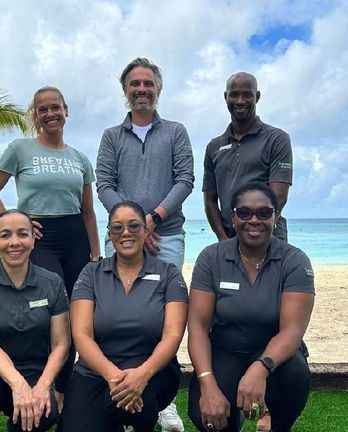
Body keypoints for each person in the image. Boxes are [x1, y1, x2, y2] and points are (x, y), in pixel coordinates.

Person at [96, 57, 193, 431]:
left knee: (164, 316)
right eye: (134, 84)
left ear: (158, 89)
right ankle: (120, 387)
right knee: (119, 315)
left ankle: (162, 398)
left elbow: (185, 179)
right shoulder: (111, 137)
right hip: (121, 238)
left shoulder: (176, 131)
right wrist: (131, 227)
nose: (141, 90)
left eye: (148, 83)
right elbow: (104, 184)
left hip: (166, 236)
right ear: (125, 91)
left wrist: (151, 220)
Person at [0, 86, 100, 396]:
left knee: (80, 311)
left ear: (66, 111)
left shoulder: (79, 158)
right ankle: (36, 382)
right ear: (35, 116)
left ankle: (61, 392)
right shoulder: (20, 149)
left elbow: (88, 213)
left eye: (55, 108)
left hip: (75, 237)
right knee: (54, 309)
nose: (50, 114)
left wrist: (96, 254)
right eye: (43, 109)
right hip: (41, 239)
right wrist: (13, 223)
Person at [187, 182, 315, 432]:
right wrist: (207, 384)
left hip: (276, 354)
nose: (253, 220)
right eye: (244, 213)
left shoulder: (294, 261)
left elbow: (292, 331)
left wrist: (260, 367)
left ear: (275, 216)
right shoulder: (210, 258)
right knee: (208, 419)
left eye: (264, 213)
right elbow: (198, 327)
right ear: (233, 217)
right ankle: (232, 422)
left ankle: (277, 424)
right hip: (225, 349)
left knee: (294, 375)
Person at [59, 201, 188, 432]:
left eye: (134, 226)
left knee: (136, 405)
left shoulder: (168, 273)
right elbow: (81, 334)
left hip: (152, 367)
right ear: (109, 234)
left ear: (146, 230)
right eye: (117, 228)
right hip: (96, 369)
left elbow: (173, 334)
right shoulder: (91, 273)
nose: (126, 233)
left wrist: (142, 375)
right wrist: (113, 376)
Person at [0, 210, 70, 432]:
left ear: (33, 239)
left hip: (34, 372)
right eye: (5, 235)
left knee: (46, 412)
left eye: (22, 234)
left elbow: (61, 345)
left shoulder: (52, 283)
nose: (14, 242)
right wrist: (19, 386)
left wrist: (43, 386)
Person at [203, 72, 293, 243]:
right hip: (228, 238)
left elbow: (279, 197)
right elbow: (210, 200)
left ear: (257, 97)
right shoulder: (213, 147)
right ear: (226, 97)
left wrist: (257, 232)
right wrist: (223, 240)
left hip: (268, 237)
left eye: (247, 95)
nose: (240, 101)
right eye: (234, 95)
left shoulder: (276, 139)